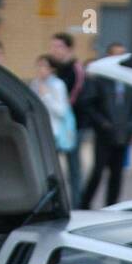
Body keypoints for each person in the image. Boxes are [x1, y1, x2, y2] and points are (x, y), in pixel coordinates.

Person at [79, 43, 132, 209]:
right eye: (115, 54)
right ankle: (84, 204)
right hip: (105, 133)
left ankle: (111, 205)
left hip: (123, 132)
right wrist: (102, 123)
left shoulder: (129, 80)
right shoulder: (100, 80)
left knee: (117, 173)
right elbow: (89, 104)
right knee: (98, 171)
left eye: (122, 55)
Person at [48, 32, 86, 202]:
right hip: (55, 125)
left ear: (68, 48)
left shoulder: (76, 69)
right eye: (53, 46)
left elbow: (73, 97)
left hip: (73, 125)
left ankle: (77, 203)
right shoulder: (52, 69)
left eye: (59, 46)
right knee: (51, 166)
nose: (55, 50)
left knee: (74, 168)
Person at [32, 55, 77, 166]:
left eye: (44, 66)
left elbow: (61, 111)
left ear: (52, 69)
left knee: (53, 165)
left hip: (54, 132)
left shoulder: (58, 85)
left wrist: (47, 95)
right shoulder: (35, 84)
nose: (41, 69)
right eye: (39, 65)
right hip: (39, 130)